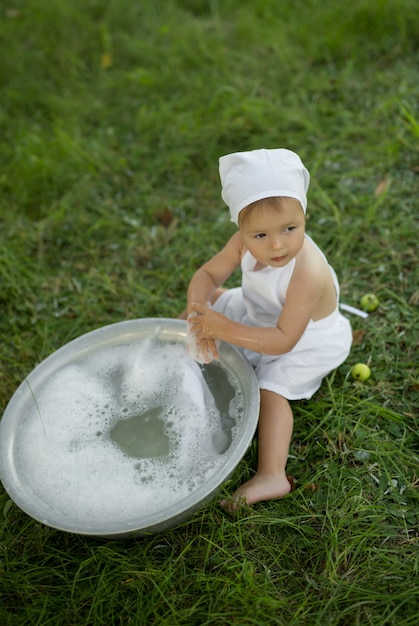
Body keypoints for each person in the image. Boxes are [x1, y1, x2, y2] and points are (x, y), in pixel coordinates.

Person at [181, 148, 352, 508]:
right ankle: (219, 324)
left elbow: (282, 340)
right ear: (241, 230)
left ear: (304, 216)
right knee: (219, 299)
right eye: (260, 235)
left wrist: (224, 328)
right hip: (258, 314)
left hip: (304, 339)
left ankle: (272, 474)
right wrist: (197, 309)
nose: (277, 244)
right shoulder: (242, 244)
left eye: (290, 228)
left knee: (270, 391)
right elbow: (208, 275)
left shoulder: (308, 271)